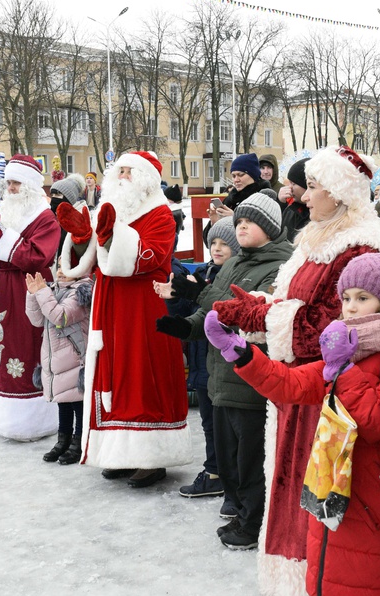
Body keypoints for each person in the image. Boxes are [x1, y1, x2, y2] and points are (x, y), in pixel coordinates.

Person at [206, 253, 380, 596]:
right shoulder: (350, 344)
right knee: (347, 586)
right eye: (346, 298)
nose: (351, 308)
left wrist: (343, 370)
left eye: (363, 298)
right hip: (341, 486)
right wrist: (241, 353)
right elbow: (292, 384)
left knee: (377, 592)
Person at [213, 145, 380, 596]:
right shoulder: (315, 238)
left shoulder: (358, 248)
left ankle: (318, 588)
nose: (303, 197)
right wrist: (260, 307)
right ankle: (291, 580)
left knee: (314, 485)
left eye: (313, 187)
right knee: (287, 481)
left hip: (325, 387)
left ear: (341, 193)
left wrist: (261, 315)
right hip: (294, 385)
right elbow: (292, 306)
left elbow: (331, 326)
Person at [157, 195, 294, 548]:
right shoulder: (236, 263)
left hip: (251, 380)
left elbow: (245, 314)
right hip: (221, 376)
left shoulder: (280, 268)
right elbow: (213, 314)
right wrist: (185, 327)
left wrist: (200, 292)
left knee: (250, 459)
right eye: (239, 222)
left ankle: (253, 522)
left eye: (251, 221)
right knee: (229, 455)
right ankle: (239, 509)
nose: (241, 227)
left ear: (272, 227)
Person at [56, 151, 193, 488]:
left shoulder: (161, 214)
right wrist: (80, 237)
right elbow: (91, 259)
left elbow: (149, 258)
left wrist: (109, 236)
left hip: (144, 306)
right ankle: (119, 453)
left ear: (147, 177)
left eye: (131, 171)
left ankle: (150, 457)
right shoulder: (111, 209)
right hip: (110, 304)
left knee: (141, 375)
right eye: (121, 170)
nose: (124, 176)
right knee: (112, 375)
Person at [0, 154, 61, 441]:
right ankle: (4, 414)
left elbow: (37, 257)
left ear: (31, 185)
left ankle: (33, 418)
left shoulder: (46, 218)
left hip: (29, 289)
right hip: (3, 287)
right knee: (2, 345)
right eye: (8, 182)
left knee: (25, 348)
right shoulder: (5, 211)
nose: (10, 188)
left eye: (16, 182)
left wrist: (1, 233)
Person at [154, 218, 241, 500]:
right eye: (213, 242)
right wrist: (173, 296)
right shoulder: (203, 271)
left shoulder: (234, 277)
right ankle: (214, 471)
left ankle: (226, 474)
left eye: (224, 243)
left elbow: (226, 312)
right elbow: (187, 312)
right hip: (203, 361)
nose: (216, 248)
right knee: (208, 422)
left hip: (224, 363)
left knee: (227, 424)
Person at [25, 265, 93, 465]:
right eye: (60, 265)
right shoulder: (53, 289)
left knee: (77, 402)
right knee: (63, 402)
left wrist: (42, 292)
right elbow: (37, 320)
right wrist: (33, 295)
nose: (62, 270)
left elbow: (60, 317)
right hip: (55, 357)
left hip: (74, 356)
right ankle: (63, 440)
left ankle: (78, 442)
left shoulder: (81, 293)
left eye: (69, 266)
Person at [204, 153, 273, 242]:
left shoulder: (264, 197)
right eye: (233, 176)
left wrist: (235, 218)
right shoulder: (231, 198)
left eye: (241, 175)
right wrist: (214, 222)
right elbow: (209, 242)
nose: (236, 180)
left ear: (253, 175)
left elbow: (265, 234)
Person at [278, 157, 311, 243]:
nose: (290, 188)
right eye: (289, 183)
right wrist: (280, 204)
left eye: (294, 184)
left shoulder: (317, 215)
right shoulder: (290, 210)